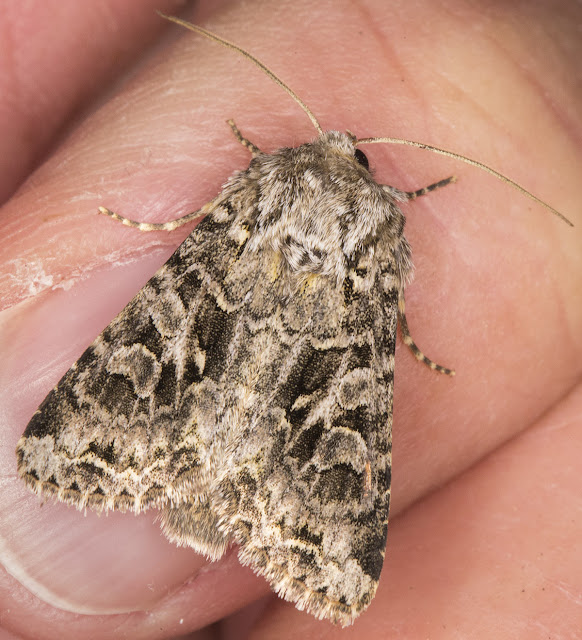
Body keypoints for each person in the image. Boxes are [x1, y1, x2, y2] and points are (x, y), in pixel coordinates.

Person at [1, 1, 580, 638]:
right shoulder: (381, 230)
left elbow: (187, 226)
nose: (337, 148)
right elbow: (391, 310)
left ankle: (106, 448)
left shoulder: (272, 178)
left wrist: (159, 230)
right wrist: (405, 331)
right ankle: (296, 530)